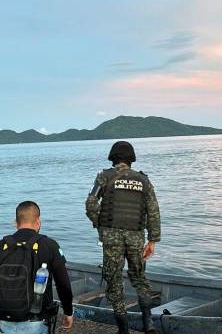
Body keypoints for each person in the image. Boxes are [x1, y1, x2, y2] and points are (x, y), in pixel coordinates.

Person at [85, 141, 161, 334]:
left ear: (113, 158)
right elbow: (153, 211)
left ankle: (124, 330)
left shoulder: (104, 177)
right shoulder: (144, 180)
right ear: (131, 159)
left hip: (111, 237)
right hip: (136, 236)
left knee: (114, 281)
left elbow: (91, 204)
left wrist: (100, 225)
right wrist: (152, 240)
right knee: (139, 278)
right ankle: (148, 322)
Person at [0, 201, 74, 334]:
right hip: (36, 321)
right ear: (38, 221)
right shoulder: (49, 245)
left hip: (4, 319)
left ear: (15, 223)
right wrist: (68, 312)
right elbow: (64, 284)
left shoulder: (0, 246)